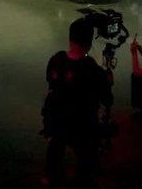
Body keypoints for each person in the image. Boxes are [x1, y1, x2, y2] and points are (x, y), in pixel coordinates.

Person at [41, 17, 112, 188]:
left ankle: (52, 176)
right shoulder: (93, 69)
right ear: (89, 43)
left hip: (57, 118)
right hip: (83, 123)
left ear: (70, 39)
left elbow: (52, 85)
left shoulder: (56, 60)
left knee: (56, 145)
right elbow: (107, 99)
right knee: (87, 153)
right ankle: (83, 180)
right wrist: (108, 80)